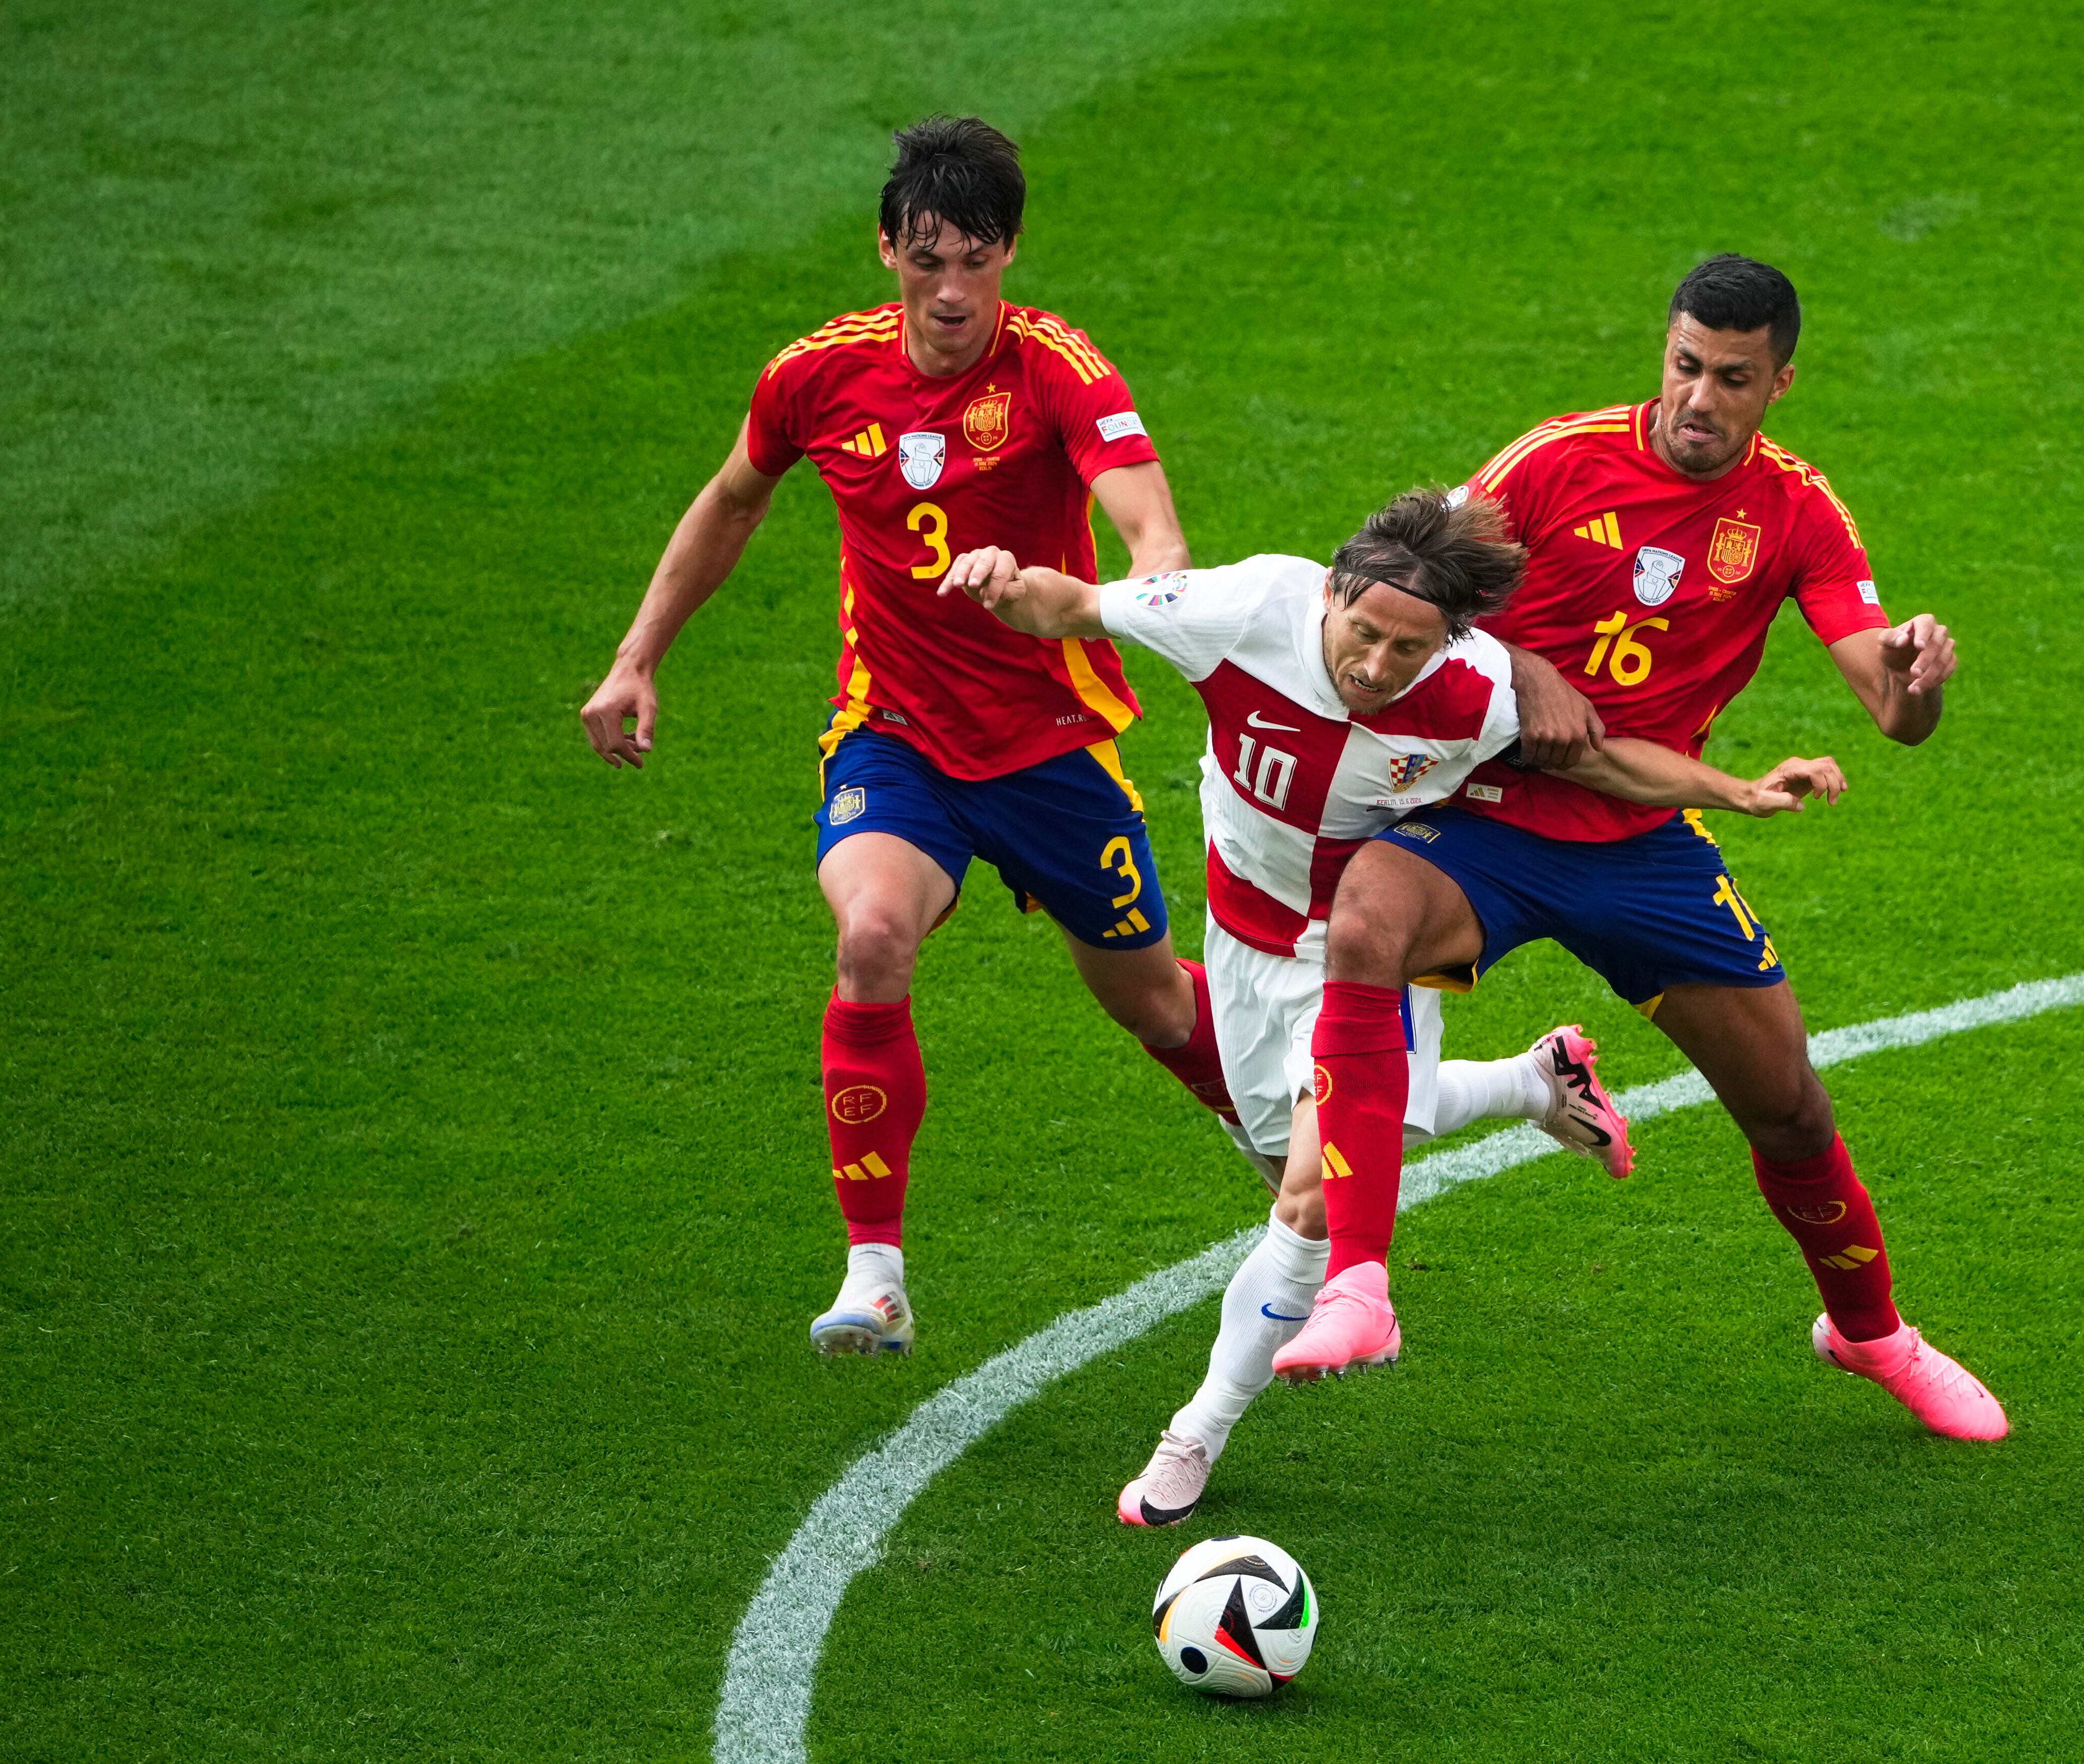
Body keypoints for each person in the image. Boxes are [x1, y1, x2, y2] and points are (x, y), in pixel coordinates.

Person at [941, 485, 1851, 1523]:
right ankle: (1532, 1081)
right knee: (1291, 1144)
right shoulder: (1242, 608)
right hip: (1242, 948)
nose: (1374, 666)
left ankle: (1192, 1433)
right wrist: (1003, 583)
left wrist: (1738, 789)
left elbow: (1598, 761)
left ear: (1452, 642)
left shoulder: (1477, 692)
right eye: (1361, 633)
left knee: (1311, 1199)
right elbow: (1077, 607)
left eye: (1406, 650)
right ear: (1328, 592)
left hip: (1367, 956)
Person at [1278, 256, 2008, 1442]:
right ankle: (1361, 1285)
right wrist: (1518, 664)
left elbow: (1889, 710)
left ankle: (1870, 1332)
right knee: (1366, 919)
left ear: (1779, 383)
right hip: (1484, 818)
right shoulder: (1557, 460)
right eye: (1683, 366)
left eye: (1732, 377)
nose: (1697, 399)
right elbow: (1410, 591)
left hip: (1642, 836)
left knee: (1787, 1107)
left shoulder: (1797, 512)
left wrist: (1919, 681)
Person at [577, 116, 1239, 1358]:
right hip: (897, 734)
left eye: (976, 262)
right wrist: (636, 656)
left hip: (1049, 741)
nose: (951, 292)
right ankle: (873, 1271)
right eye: (927, 260)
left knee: (1151, 1002)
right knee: (871, 933)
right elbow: (733, 499)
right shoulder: (816, 376)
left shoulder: (1056, 368)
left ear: (1009, 255)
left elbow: (1154, 532)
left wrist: (1124, 591)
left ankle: (1277, 1153)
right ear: (886, 249)